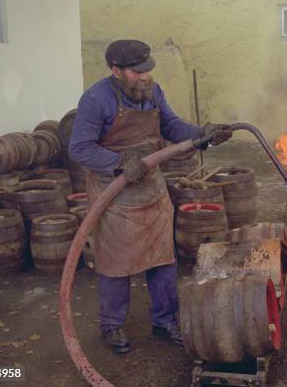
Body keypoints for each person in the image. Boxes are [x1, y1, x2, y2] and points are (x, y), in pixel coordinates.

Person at [69, 39, 232, 354]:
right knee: (116, 263)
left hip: (150, 188)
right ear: (115, 71)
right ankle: (112, 325)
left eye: (147, 70)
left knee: (162, 258)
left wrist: (201, 134)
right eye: (136, 72)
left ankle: (164, 319)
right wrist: (118, 162)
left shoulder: (152, 93)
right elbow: (79, 148)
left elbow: (171, 125)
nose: (145, 77)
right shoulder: (96, 100)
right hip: (113, 194)